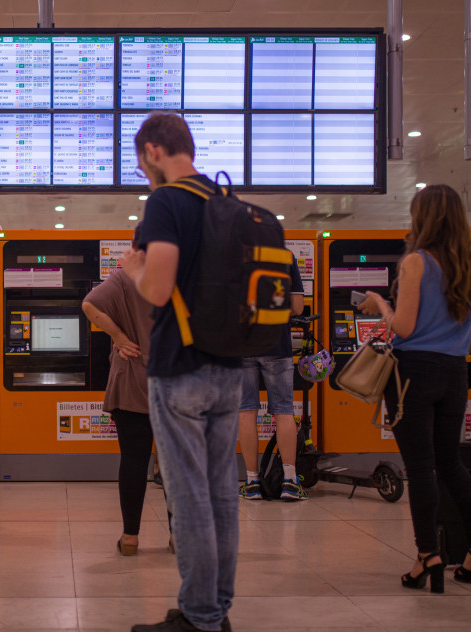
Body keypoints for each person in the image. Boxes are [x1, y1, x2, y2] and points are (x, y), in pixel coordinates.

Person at [121, 113, 243, 632]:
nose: (143, 170)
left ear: (152, 150)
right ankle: (216, 608)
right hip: (228, 366)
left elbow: (159, 289)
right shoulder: (226, 202)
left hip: (179, 371)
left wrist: (132, 268)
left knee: (188, 494)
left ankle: (199, 617)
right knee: (221, 493)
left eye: (140, 160)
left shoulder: (167, 201)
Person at [358, 184, 471, 593]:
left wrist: (379, 305)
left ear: (425, 218)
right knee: (450, 464)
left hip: (412, 374)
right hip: (455, 372)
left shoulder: (416, 262)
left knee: (420, 469)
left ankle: (428, 556)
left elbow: (404, 327)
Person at [82, 227, 163, 556]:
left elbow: (89, 305)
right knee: (172, 464)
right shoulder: (178, 279)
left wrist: (117, 336)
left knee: (133, 460)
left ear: (134, 245)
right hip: (172, 382)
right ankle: (178, 537)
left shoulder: (122, 279)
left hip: (131, 381)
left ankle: (130, 537)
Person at [237, 261, 306, 502]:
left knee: (246, 411)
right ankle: (289, 481)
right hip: (276, 345)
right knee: (284, 411)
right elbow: (298, 307)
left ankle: (252, 482)